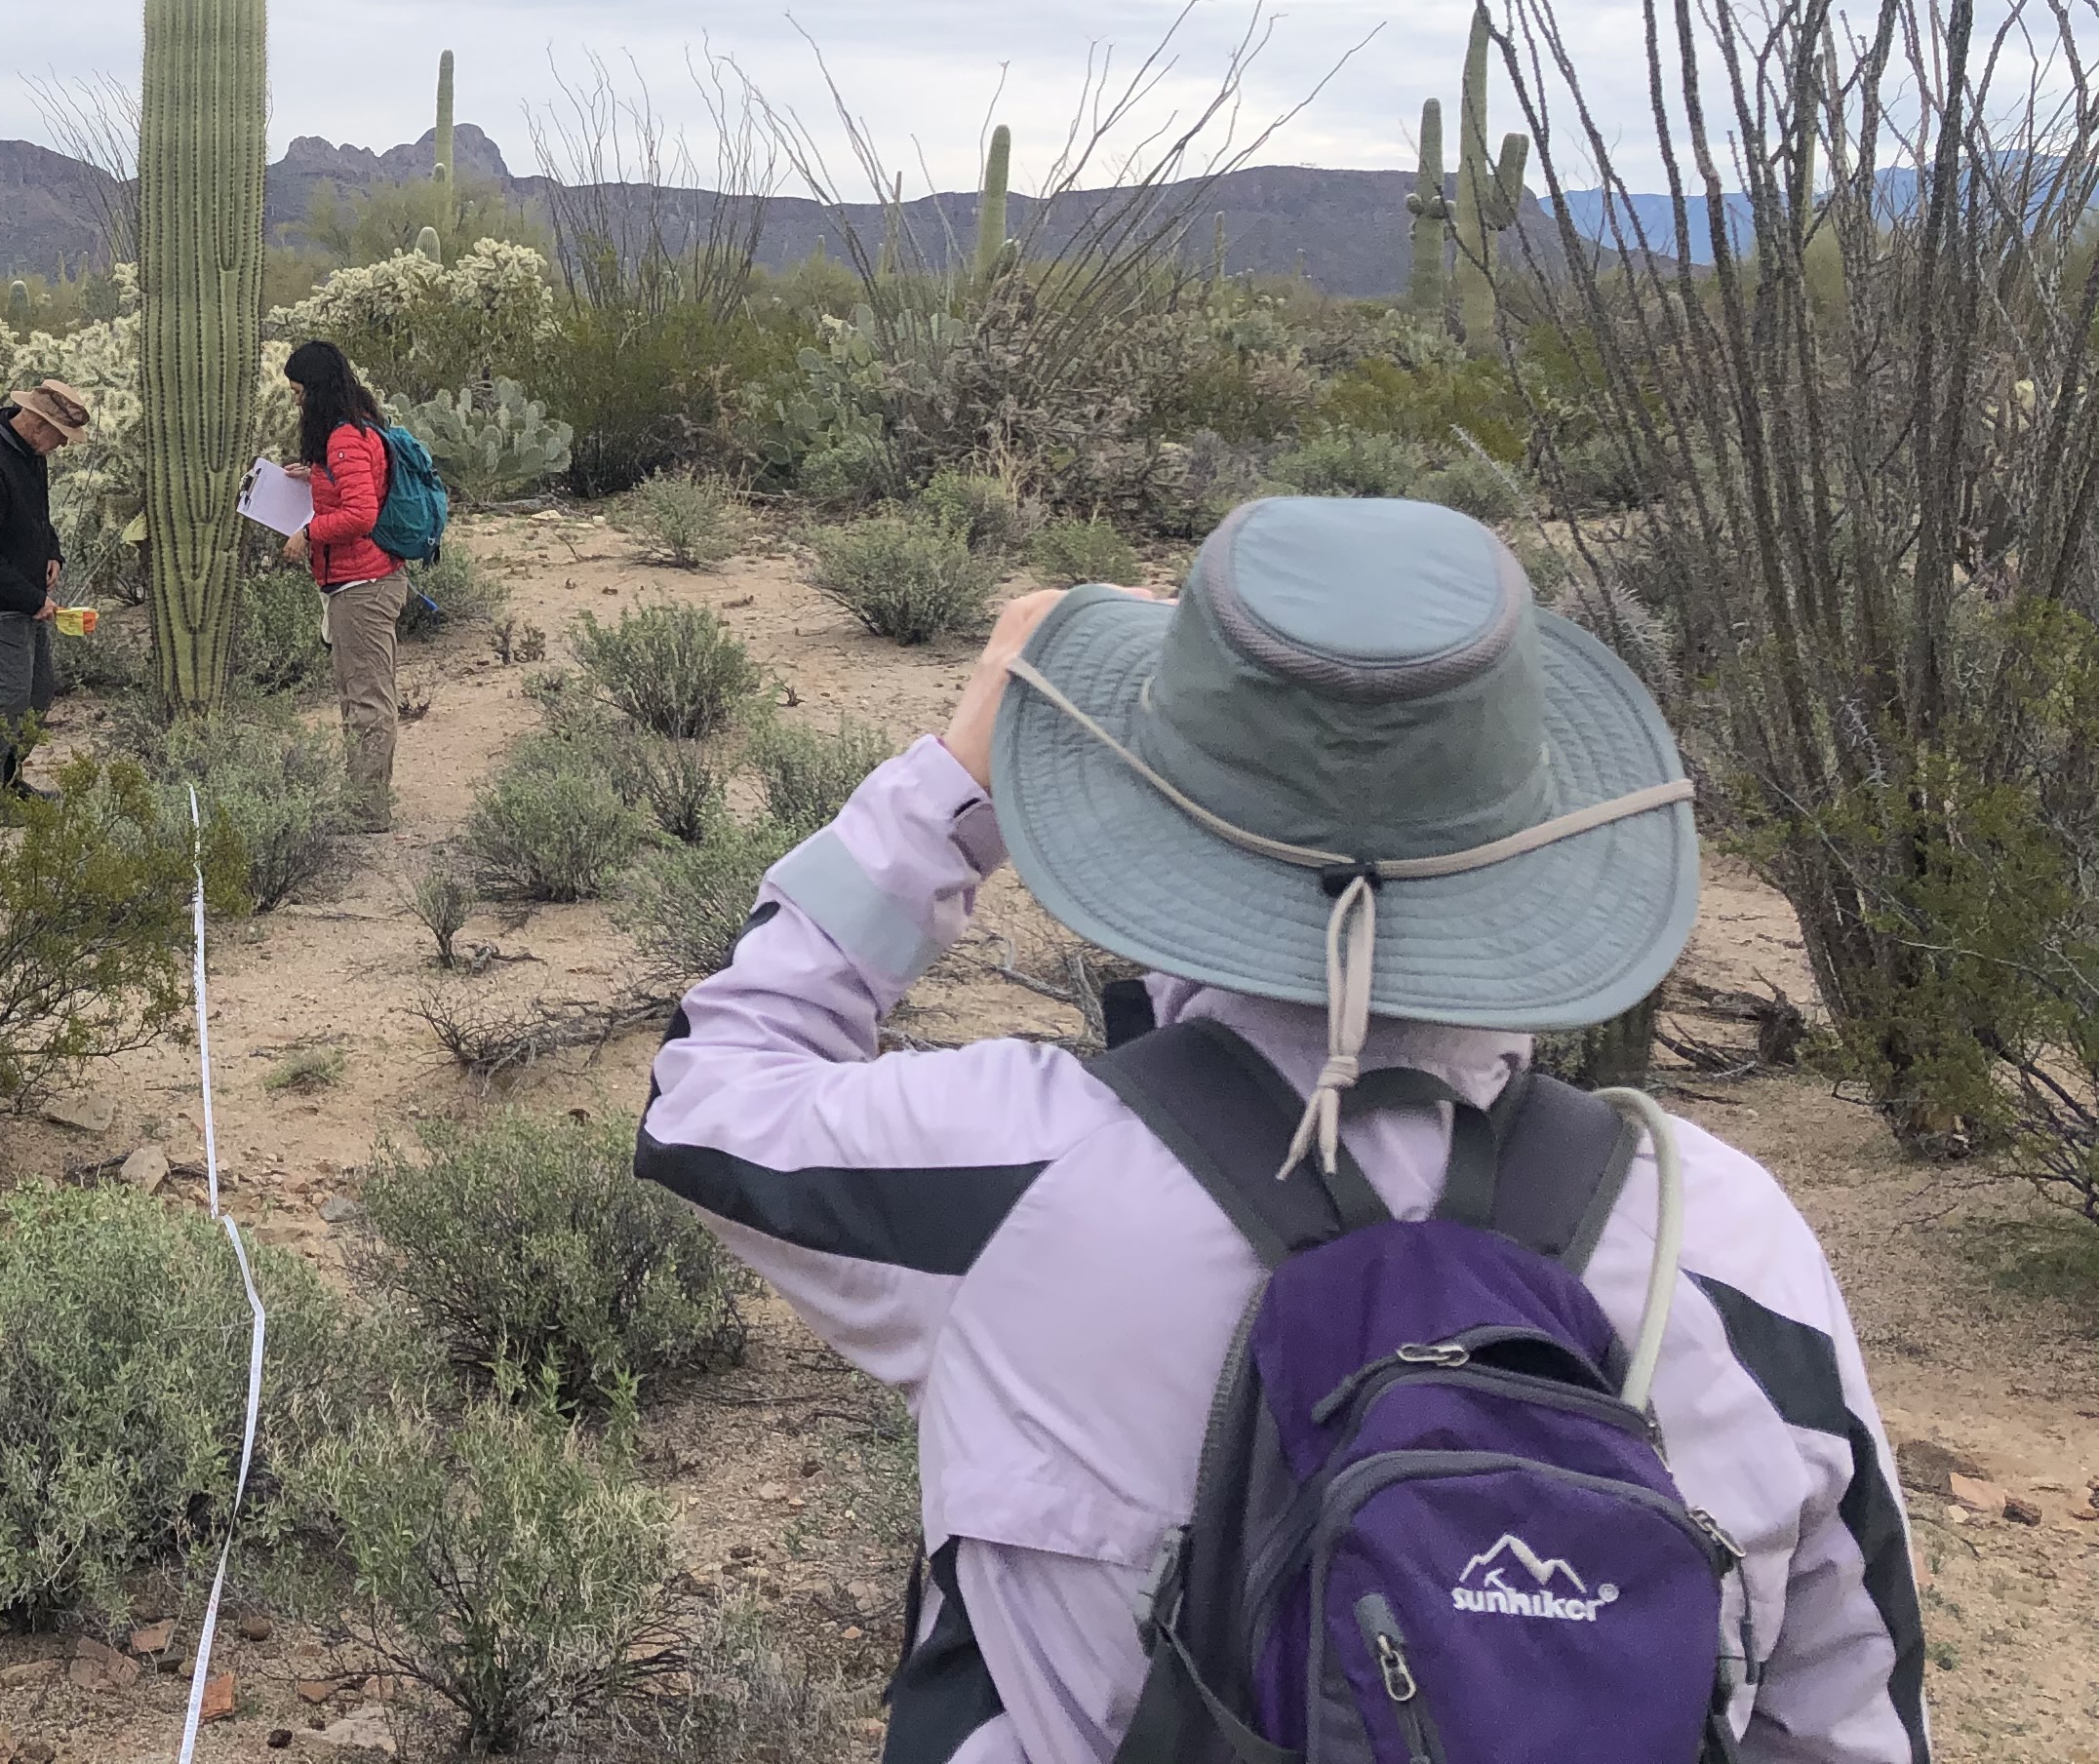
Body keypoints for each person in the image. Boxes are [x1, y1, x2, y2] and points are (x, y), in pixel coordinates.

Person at [634, 497, 1927, 1764]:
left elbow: (710, 1096)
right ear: (1531, 843)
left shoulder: (1016, 1177)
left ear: (1145, 813)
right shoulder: (1736, 1251)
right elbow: (1852, 1714)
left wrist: (954, 781)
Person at [279, 338, 405, 830]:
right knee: (357, 695)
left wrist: (308, 532)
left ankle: (368, 809)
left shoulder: (345, 439)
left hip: (363, 583)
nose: (295, 402)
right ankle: (361, 798)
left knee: (368, 699)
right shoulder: (351, 432)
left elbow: (360, 513)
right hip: (355, 583)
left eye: (298, 392)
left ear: (318, 390)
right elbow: (353, 489)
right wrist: (311, 479)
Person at [0, 379, 91, 791]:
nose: (62, 446)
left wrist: (52, 552)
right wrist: (33, 598)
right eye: (60, 436)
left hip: (28, 598)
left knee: (37, 694)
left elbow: (38, 513)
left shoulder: (28, 454)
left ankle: (7, 780)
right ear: (35, 422)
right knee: (6, 703)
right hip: (1, 605)